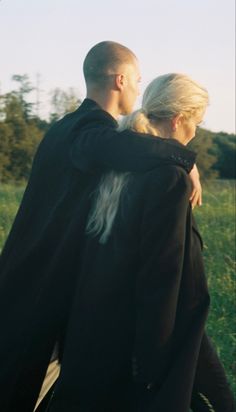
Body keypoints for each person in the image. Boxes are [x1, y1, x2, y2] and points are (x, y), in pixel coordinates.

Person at [0, 41, 201, 411]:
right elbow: (119, 147)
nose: (140, 91)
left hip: (25, 280)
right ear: (120, 80)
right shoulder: (89, 129)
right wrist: (185, 160)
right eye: (138, 81)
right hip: (39, 293)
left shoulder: (62, 129)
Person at [44, 73, 235, 412]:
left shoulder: (116, 170)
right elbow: (160, 280)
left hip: (92, 336)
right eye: (197, 123)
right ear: (178, 120)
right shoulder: (168, 179)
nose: (196, 133)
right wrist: (150, 366)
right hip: (143, 346)